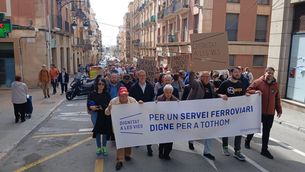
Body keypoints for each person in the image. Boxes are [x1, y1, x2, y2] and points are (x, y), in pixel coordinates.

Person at [244, 67, 282, 159]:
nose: (270, 74)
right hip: (258, 112)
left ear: (273, 74)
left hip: (270, 113)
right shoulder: (258, 82)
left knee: (266, 132)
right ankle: (247, 141)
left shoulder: (275, 85)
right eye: (268, 72)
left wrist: (279, 110)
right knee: (253, 129)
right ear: (265, 73)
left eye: (271, 73)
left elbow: (277, 98)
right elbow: (247, 90)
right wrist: (255, 91)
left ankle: (264, 150)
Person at [217, 67, 250, 161]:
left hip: (238, 112)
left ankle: (237, 151)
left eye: (239, 72)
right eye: (235, 72)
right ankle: (225, 147)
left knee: (238, 131)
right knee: (226, 130)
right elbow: (217, 93)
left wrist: (246, 95)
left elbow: (243, 94)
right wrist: (221, 95)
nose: (237, 74)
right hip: (227, 112)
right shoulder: (225, 83)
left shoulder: (240, 84)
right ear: (231, 73)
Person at [105, 87, 141, 171]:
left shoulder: (132, 100)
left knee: (128, 140)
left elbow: (139, 109)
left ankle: (127, 154)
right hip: (118, 126)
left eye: (125, 95)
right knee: (120, 143)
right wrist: (109, 109)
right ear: (119, 95)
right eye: (122, 95)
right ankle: (119, 160)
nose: (124, 97)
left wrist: (140, 103)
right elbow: (106, 113)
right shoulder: (113, 101)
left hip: (129, 124)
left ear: (127, 95)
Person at [187, 71, 218, 161]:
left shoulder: (211, 85)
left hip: (208, 113)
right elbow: (191, 82)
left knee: (210, 132)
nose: (206, 78)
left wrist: (220, 96)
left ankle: (207, 152)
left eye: (208, 76)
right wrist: (192, 70)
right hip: (197, 112)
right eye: (204, 76)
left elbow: (214, 95)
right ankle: (191, 141)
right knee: (194, 128)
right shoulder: (197, 84)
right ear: (200, 77)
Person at [129, 70, 155, 157]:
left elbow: (152, 97)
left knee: (148, 129)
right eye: (140, 76)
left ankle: (149, 147)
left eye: (144, 75)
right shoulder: (133, 87)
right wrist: (137, 102)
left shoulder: (150, 86)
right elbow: (131, 99)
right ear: (138, 77)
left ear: (146, 76)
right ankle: (137, 141)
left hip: (147, 111)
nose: (142, 77)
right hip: (137, 112)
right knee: (138, 127)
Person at [87, 78, 111, 156]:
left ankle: (104, 147)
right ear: (96, 85)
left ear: (105, 85)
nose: (101, 86)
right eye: (99, 84)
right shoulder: (92, 94)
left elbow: (109, 104)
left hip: (104, 114)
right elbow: (89, 103)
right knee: (97, 131)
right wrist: (91, 107)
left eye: (102, 84)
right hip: (95, 114)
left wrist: (101, 107)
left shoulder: (107, 94)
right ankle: (98, 147)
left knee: (104, 131)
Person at [156, 84, 179, 160]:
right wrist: (155, 104)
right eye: (166, 92)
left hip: (171, 125)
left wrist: (180, 104)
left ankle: (166, 154)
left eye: (170, 92)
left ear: (172, 92)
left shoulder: (176, 100)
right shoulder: (159, 99)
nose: (168, 94)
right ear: (164, 92)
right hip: (162, 124)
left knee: (169, 141)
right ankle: (160, 153)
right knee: (162, 140)